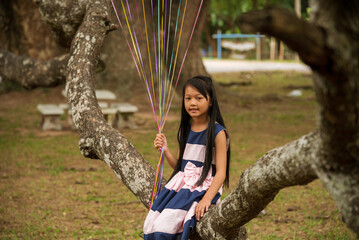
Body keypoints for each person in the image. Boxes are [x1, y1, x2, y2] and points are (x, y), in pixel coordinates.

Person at [143, 75, 230, 240]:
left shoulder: (218, 133)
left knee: (172, 224)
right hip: (181, 184)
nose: (192, 103)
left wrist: (206, 199)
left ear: (210, 101)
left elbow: (220, 173)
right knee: (157, 222)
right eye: (188, 98)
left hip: (204, 186)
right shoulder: (185, 129)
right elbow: (180, 167)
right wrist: (166, 149)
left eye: (199, 98)